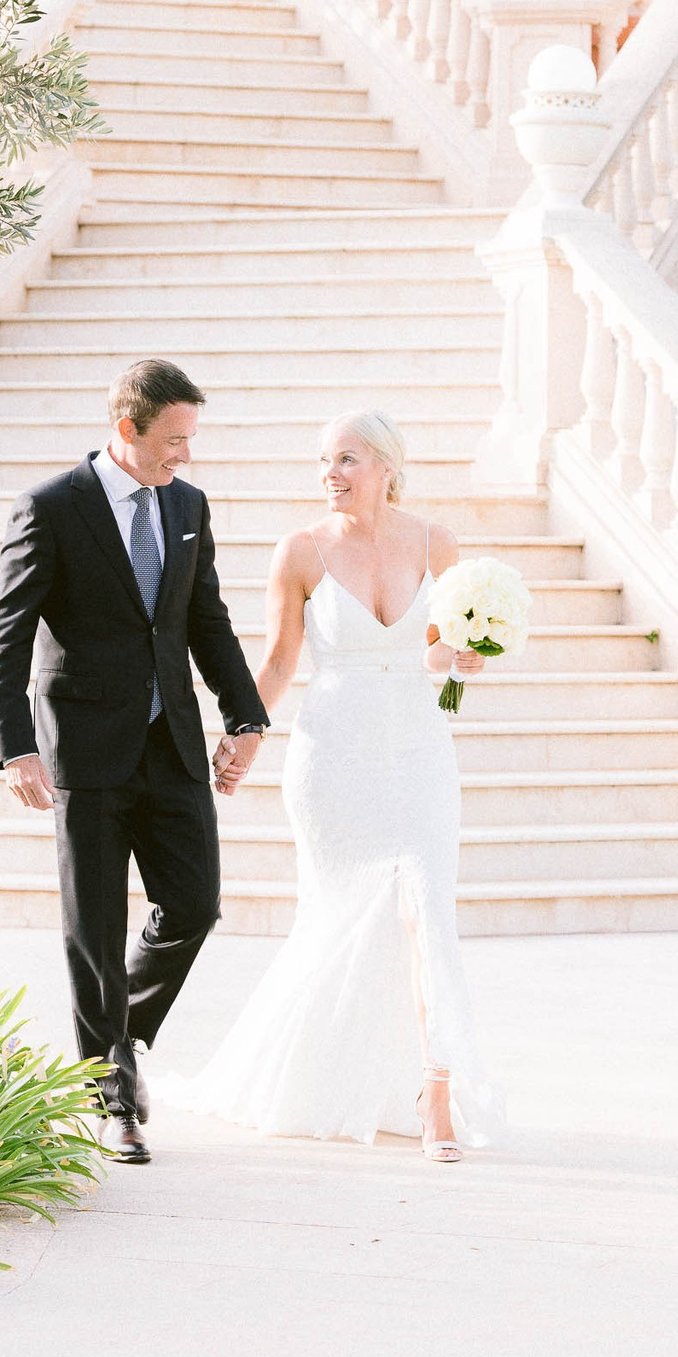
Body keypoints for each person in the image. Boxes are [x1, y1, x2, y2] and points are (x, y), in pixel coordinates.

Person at [171, 412, 502, 1161]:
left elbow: (438, 653)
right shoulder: (300, 552)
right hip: (334, 756)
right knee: (336, 916)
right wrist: (244, 736)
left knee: (429, 912)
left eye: (347, 458)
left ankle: (437, 1096)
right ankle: (324, 1069)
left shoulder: (435, 543)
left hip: (418, 750)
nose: (330, 472)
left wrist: (464, 658)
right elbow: (282, 661)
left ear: (385, 464)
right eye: (323, 459)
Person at [0, 359, 269, 1165]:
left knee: (196, 902)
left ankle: (117, 1042)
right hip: (85, 749)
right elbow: (5, 635)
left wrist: (244, 714)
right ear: (127, 428)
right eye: (173, 440)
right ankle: (114, 1097)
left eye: (190, 440)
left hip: (171, 742)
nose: (184, 455)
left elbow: (204, 616)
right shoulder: (50, 507)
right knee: (96, 927)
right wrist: (16, 747)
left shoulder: (186, 504)